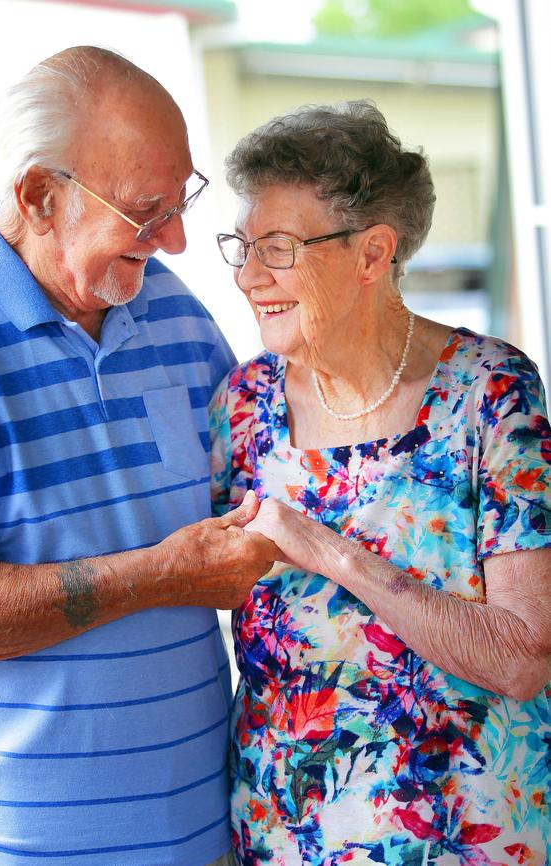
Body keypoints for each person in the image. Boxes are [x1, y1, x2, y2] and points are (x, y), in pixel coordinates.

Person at [0, 46, 280, 866]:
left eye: (182, 204)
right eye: (148, 211)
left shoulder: (177, 314)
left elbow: (249, 505)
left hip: (202, 840)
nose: (176, 241)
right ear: (40, 196)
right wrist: (156, 577)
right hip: (14, 847)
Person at [211, 101, 551, 865]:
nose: (247, 275)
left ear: (372, 254)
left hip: (468, 839)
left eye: (278, 247)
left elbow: (524, 657)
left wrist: (334, 555)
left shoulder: (488, 394)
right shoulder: (241, 408)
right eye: (241, 244)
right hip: (283, 838)